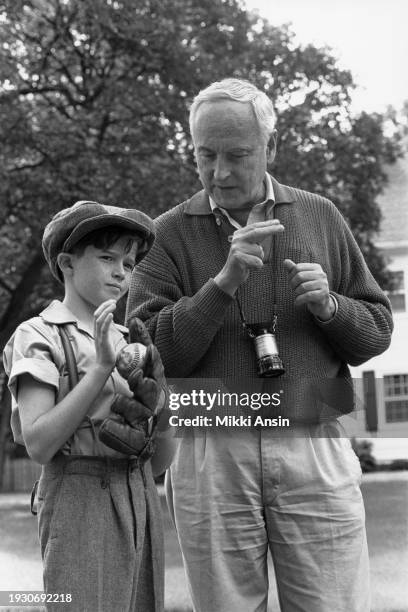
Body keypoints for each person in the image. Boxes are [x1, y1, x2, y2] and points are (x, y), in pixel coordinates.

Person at [126, 79, 393, 612]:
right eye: (206, 155)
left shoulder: (320, 215)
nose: (219, 172)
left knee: (333, 604)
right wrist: (221, 285)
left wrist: (331, 308)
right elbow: (149, 356)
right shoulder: (166, 235)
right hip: (210, 449)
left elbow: (378, 330)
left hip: (313, 439)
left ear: (271, 146)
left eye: (238, 155)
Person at [3, 200, 175, 612]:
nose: (121, 271)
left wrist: (164, 410)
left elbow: (158, 465)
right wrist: (99, 368)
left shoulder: (130, 341)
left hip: (137, 494)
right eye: (107, 257)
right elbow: (40, 444)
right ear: (67, 262)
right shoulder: (38, 334)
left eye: (130, 264)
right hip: (77, 496)